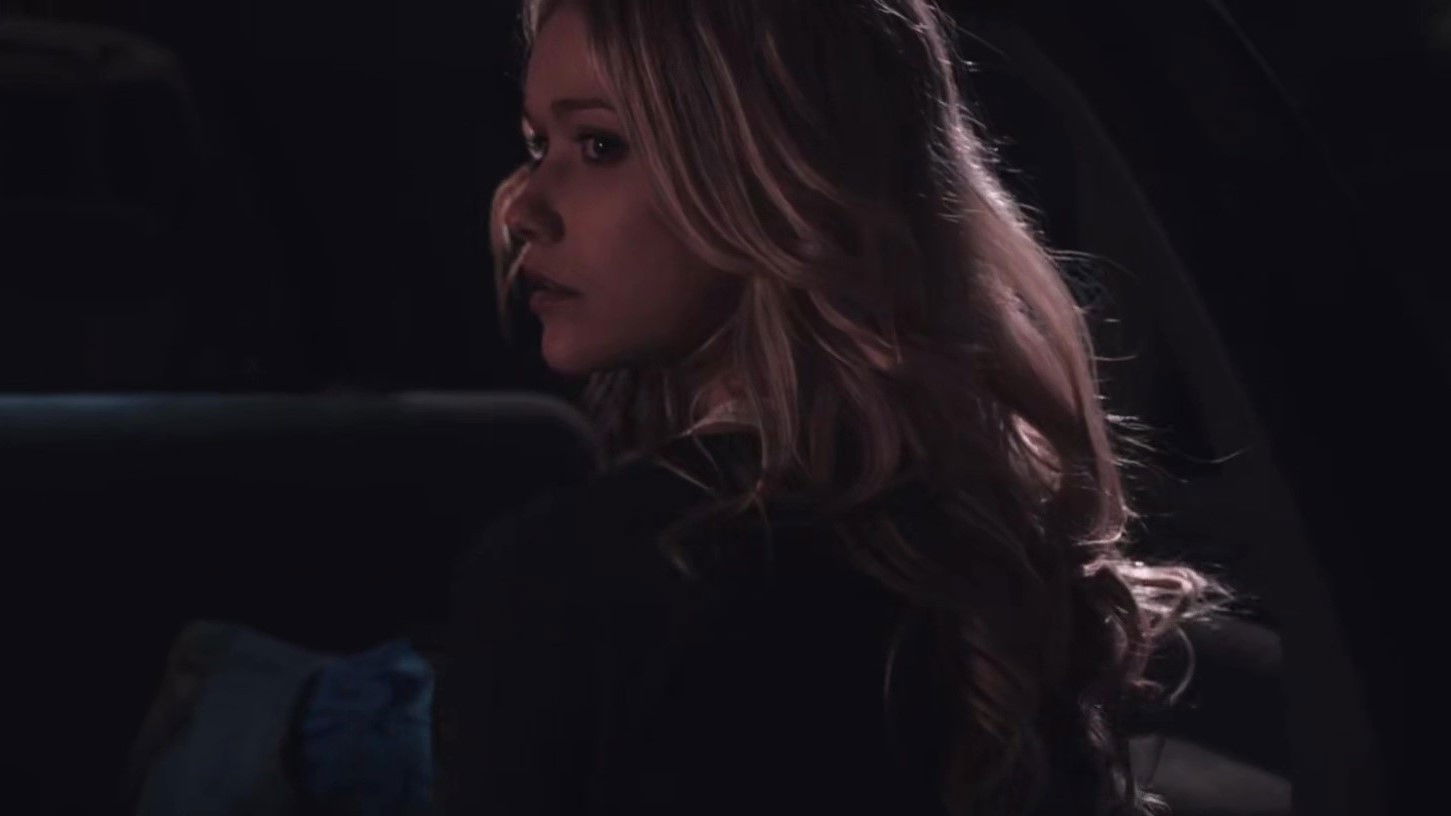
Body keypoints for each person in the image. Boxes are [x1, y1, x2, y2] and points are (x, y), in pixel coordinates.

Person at [438, 1, 1228, 814]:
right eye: (538, 145)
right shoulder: (992, 535)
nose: (522, 208)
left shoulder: (574, 583)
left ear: (771, 170)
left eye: (600, 146)